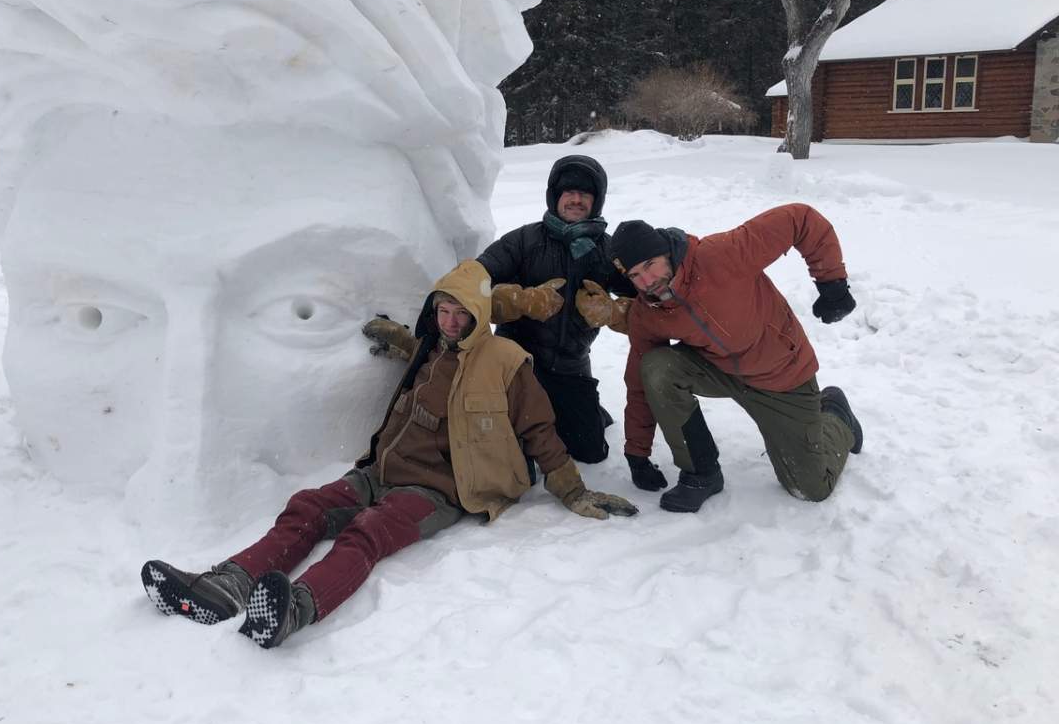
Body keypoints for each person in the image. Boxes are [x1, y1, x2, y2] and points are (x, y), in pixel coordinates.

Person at [141, 260, 637, 649]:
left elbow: (540, 431)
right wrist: (399, 337)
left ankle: (294, 609)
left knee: (368, 532)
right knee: (307, 507)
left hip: (442, 490)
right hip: (383, 471)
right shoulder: (430, 348)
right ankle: (224, 586)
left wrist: (572, 491)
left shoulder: (507, 362)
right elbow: (421, 351)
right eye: (443, 311)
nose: (450, 321)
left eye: (461, 314)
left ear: (478, 315)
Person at [608, 204, 864, 513]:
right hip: (721, 370)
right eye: (635, 275)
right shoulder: (647, 312)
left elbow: (800, 218)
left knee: (810, 487)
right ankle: (701, 473)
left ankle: (836, 415)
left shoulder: (720, 255)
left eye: (651, 265)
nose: (647, 281)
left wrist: (832, 283)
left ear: (667, 253)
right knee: (656, 368)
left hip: (781, 375)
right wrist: (637, 451)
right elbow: (638, 380)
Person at [467, 155, 640, 472]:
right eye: (568, 191)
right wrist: (518, 300)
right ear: (555, 196)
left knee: (591, 452)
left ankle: (571, 409)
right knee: (512, 454)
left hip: (572, 368)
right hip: (517, 366)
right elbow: (469, 285)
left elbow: (650, 304)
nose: (576, 199)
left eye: (585, 193)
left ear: (596, 200)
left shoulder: (608, 250)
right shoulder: (523, 240)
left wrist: (614, 312)